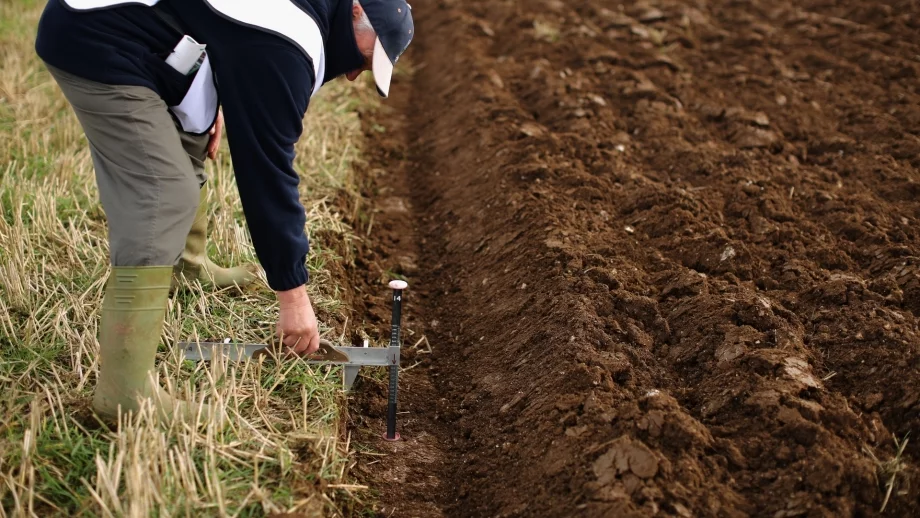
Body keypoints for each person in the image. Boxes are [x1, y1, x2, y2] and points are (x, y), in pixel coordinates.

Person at [33, 0, 414, 425]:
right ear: (357, 10)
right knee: (164, 191)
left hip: (152, 35)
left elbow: (222, 26)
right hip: (95, 36)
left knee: (194, 125)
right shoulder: (290, 44)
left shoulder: (299, 19)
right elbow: (265, 174)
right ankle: (123, 396)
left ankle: (185, 266)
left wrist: (207, 92)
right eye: (365, 56)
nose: (354, 73)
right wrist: (293, 295)